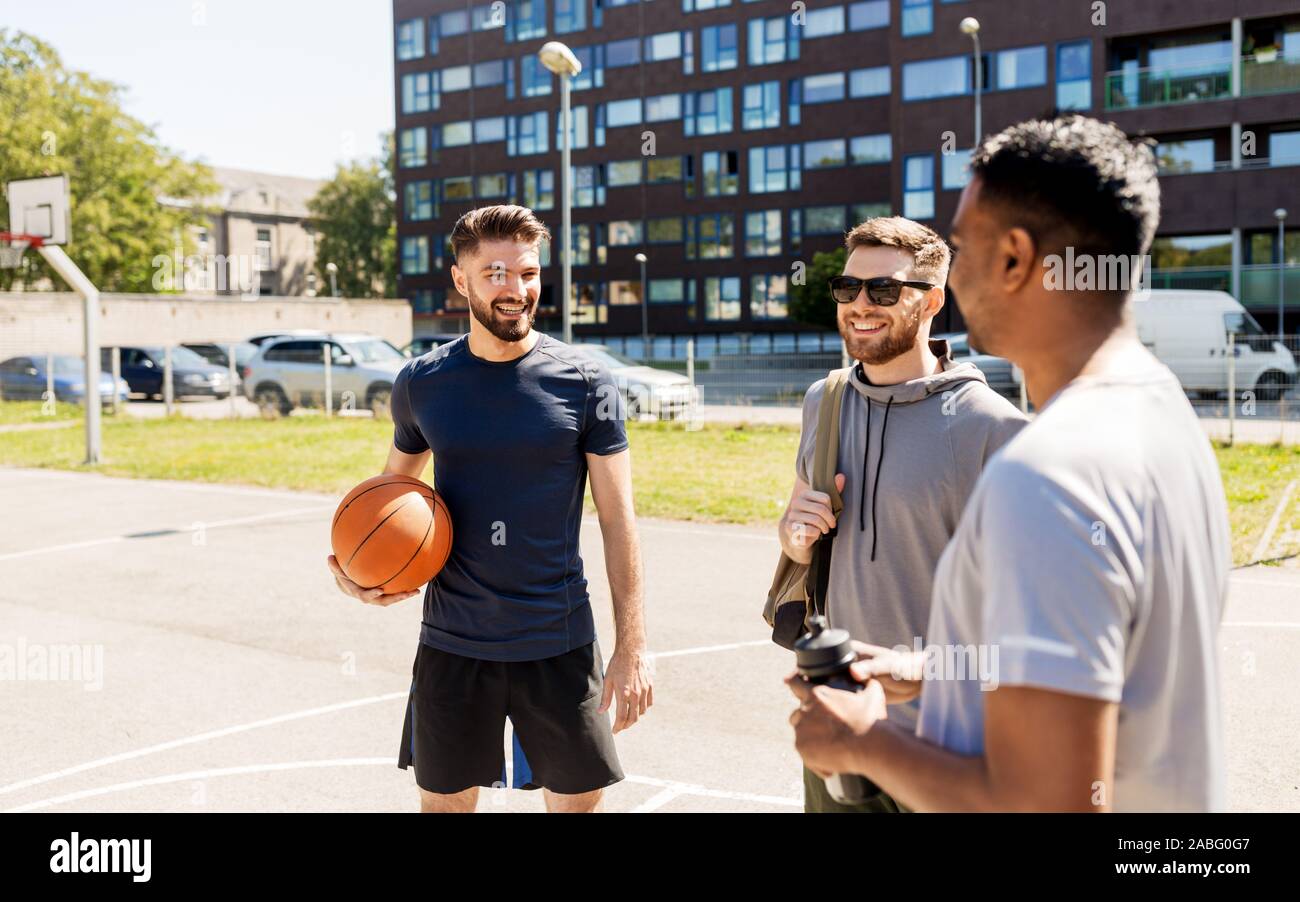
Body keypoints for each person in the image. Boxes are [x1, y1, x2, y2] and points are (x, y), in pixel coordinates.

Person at [787, 115, 1231, 812]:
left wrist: (862, 744)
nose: (954, 275)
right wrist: (924, 670)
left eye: (963, 248)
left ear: (1017, 258)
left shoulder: (1047, 470)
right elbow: (1097, 664)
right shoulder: (1163, 410)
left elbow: (1047, 804)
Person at [327, 204, 652, 813]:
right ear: (461, 280)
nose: (515, 290)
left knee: (577, 809)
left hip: (557, 638)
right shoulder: (423, 383)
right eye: (496, 273)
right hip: (454, 641)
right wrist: (355, 571)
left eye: (527, 273)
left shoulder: (586, 383)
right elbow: (389, 497)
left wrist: (631, 648)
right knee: (445, 808)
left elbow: (617, 521)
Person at [778, 216, 1026, 812]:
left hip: (949, 750)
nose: (860, 305)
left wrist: (916, 666)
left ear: (932, 301)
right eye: (848, 289)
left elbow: (1031, 629)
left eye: (884, 291)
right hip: (839, 722)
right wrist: (795, 538)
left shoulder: (994, 430)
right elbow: (795, 536)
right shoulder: (825, 399)